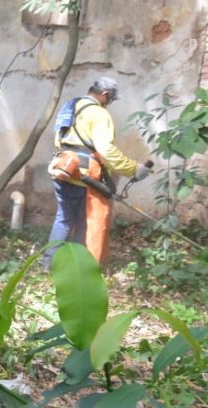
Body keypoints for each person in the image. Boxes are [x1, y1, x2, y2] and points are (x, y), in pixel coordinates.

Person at [44, 76, 152, 267]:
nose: (109, 103)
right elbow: (106, 150)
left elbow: (59, 139)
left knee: (64, 219)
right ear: (105, 94)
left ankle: (50, 263)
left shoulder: (70, 106)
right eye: (110, 99)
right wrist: (134, 169)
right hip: (84, 178)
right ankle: (81, 266)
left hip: (62, 169)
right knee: (87, 223)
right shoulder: (99, 114)